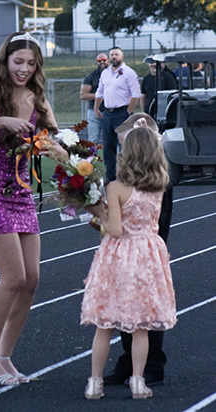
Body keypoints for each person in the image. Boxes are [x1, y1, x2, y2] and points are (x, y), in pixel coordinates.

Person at [0, 32, 68, 385]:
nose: (23, 68)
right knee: (14, 278)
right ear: (5, 60)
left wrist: (60, 152)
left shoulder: (37, 98)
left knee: (32, 280)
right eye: (18, 61)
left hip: (23, 195)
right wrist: (3, 121)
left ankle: (3, 357)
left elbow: (52, 138)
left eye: (31, 63)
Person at [81, 125, 176, 400]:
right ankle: (137, 381)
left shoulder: (116, 187)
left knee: (104, 322)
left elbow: (116, 229)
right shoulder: (159, 185)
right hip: (148, 256)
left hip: (119, 256)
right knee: (140, 326)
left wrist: (97, 211)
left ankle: (95, 383)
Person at [102, 113, 174, 387]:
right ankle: (130, 361)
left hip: (144, 248)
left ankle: (151, 363)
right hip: (130, 248)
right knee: (128, 309)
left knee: (145, 310)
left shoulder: (158, 182)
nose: (122, 152)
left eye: (125, 146)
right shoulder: (126, 179)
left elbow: (160, 223)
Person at [94, 47, 141, 182]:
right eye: (112, 55)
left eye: (116, 54)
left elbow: (136, 93)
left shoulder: (129, 73)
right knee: (108, 146)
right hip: (108, 113)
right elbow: (100, 91)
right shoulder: (105, 73)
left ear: (122, 56)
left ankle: (129, 176)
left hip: (122, 112)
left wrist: (128, 111)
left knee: (125, 146)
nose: (114, 57)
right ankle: (110, 176)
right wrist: (97, 108)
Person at [80, 53, 108, 144]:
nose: (102, 62)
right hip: (93, 113)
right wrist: (100, 95)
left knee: (111, 140)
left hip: (110, 112)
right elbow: (83, 95)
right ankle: (91, 158)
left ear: (108, 60)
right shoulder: (91, 77)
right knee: (93, 140)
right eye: (99, 61)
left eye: (104, 60)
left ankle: (113, 158)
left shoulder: (114, 75)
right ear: (96, 62)